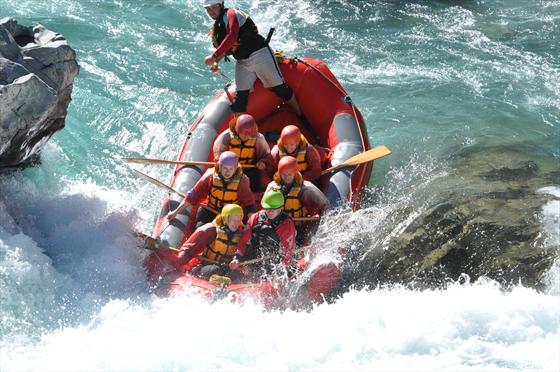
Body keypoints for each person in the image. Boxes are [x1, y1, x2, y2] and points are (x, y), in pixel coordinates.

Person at [202, 0, 303, 116]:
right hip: (243, 62)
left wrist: (214, 56)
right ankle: (239, 132)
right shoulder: (217, 27)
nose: (211, 11)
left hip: (259, 54)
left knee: (281, 89)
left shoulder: (232, 14)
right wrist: (216, 61)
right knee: (239, 102)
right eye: (208, 9)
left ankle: (300, 116)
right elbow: (229, 48)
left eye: (214, 7)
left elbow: (233, 35)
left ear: (221, 5)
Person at [167, 151, 255, 227]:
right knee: (200, 229)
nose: (227, 172)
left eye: (231, 169)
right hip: (210, 210)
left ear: (235, 169)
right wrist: (175, 212)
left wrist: (250, 222)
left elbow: (248, 203)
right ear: (220, 167)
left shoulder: (242, 181)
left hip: (230, 214)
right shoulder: (210, 176)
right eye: (225, 168)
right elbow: (193, 195)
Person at [229, 189, 296, 279]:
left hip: (274, 260)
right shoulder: (255, 218)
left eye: (274, 208)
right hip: (254, 256)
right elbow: (243, 242)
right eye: (267, 208)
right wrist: (236, 258)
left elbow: (287, 251)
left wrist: (282, 269)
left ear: (281, 207)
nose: (270, 211)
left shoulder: (286, 225)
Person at [266, 156, 330, 245]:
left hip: (300, 226)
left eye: (290, 175)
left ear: (295, 174)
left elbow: (325, 207)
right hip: (279, 226)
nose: (287, 178)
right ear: (279, 173)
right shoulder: (272, 187)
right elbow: (265, 208)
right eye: (284, 175)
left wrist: (320, 222)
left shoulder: (306, 188)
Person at [175, 204, 244, 279]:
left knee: (240, 276)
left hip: (226, 268)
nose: (235, 223)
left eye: (238, 220)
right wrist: (179, 261)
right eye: (233, 220)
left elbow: (242, 253)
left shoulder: (241, 235)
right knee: (216, 270)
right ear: (225, 218)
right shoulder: (210, 230)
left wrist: (238, 262)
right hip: (205, 266)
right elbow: (189, 249)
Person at [213, 113, 274, 191]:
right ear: (237, 130)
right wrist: (225, 163)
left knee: (254, 182)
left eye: (249, 135)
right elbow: (219, 154)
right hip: (230, 168)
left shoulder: (259, 138)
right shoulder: (226, 136)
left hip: (249, 168)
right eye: (243, 134)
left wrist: (262, 162)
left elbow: (265, 155)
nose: (246, 137)